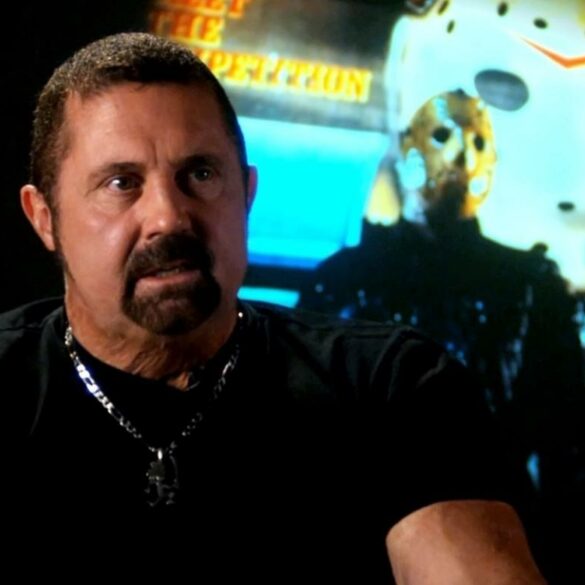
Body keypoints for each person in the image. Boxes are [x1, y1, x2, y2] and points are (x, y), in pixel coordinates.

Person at [2, 33, 546, 583]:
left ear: (247, 193)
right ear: (44, 217)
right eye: (122, 183)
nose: (168, 216)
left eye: (201, 174)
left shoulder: (390, 385)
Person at [298, 90, 584, 581]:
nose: (460, 155)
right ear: (409, 144)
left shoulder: (531, 286)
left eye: (477, 141)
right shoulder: (344, 279)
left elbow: (568, 442)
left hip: (499, 536)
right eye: (443, 135)